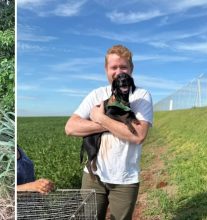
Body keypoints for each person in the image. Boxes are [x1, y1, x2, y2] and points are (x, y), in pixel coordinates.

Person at [65, 45, 153, 220]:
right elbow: (71, 127)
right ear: (106, 70)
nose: (118, 71)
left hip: (124, 179)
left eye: (123, 67)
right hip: (93, 177)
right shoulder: (96, 95)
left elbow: (138, 135)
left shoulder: (141, 96)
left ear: (131, 69)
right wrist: (119, 123)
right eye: (114, 67)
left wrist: (100, 117)